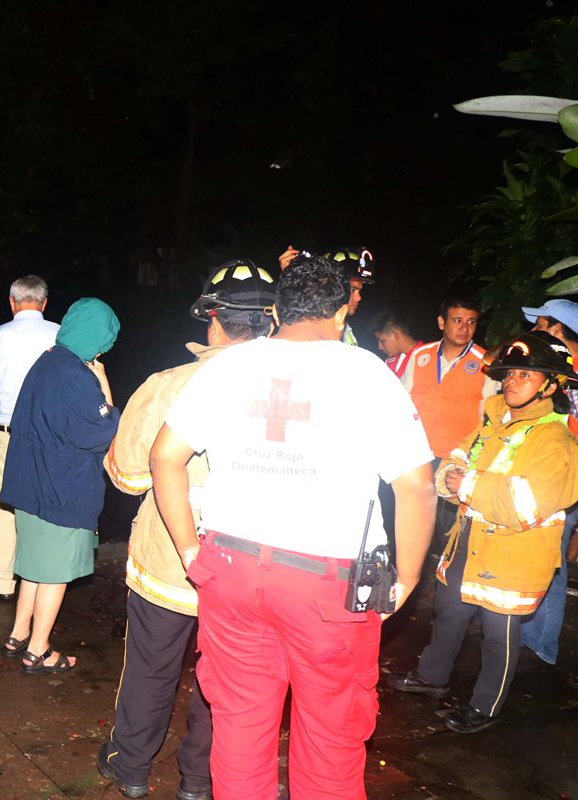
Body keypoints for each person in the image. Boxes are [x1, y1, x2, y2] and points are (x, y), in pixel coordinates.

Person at [151, 253, 435, 800]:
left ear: (277, 310)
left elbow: (165, 458)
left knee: (238, 725)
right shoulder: (368, 373)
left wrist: (190, 552)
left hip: (229, 572)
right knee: (330, 734)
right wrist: (408, 577)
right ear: (340, 314)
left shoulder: (228, 366)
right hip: (325, 587)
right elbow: (417, 487)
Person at [96, 259, 275, 800]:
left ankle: (129, 767)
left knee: (151, 666)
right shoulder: (295, 388)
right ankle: (200, 781)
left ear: (213, 319)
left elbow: (128, 475)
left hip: (171, 560)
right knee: (227, 681)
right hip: (251, 565)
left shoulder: (170, 385)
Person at [387, 331, 578, 732]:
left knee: (498, 634)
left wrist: (467, 485)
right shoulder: (494, 422)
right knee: (449, 612)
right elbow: (453, 462)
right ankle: (432, 677)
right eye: (509, 374)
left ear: (551, 385)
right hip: (469, 542)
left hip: (513, 557)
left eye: (524, 374)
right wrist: (455, 480)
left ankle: (485, 706)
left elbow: (522, 505)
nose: (510, 381)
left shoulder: (555, 441)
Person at [0, 297, 121, 673]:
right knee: (54, 573)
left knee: (33, 565)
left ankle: (18, 634)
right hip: (59, 492)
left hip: (28, 486)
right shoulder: (78, 378)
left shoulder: (47, 359)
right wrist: (104, 386)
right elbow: (104, 432)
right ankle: (38, 650)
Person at [0, 275, 60, 600]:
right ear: (44, 302)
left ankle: (5, 581)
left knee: (5, 508)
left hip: (8, 434)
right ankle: (43, 576)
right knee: (45, 506)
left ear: (11, 302)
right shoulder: (60, 334)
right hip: (51, 437)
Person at [402, 298, 499, 550]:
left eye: (471, 322)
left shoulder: (485, 363)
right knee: (409, 528)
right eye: (457, 320)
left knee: (448, 535)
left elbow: (487, 417)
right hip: (416, 457)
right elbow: (402, 403)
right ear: (441, 322)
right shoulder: (421, 356)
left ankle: (442, 584)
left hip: (453, 462)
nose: (464, 328)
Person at [518, 299, 578, 664]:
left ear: (558, 328)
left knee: (551, 559)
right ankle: (533, 635)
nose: (534, 332)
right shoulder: (560, 367)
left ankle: (541, 644)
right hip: (551, 472)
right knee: (544, 553)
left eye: (539, 325)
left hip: (566, 477)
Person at [325, 247, 375, 346]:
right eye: (353, 290)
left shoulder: (348, 333)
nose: (359, 298)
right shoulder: (307, 331)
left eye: (359, 291)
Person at [370, 311, 422, 378]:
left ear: (395, 335)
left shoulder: (427, 356)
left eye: (382, 341)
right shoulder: (389, 362)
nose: (380, 347)